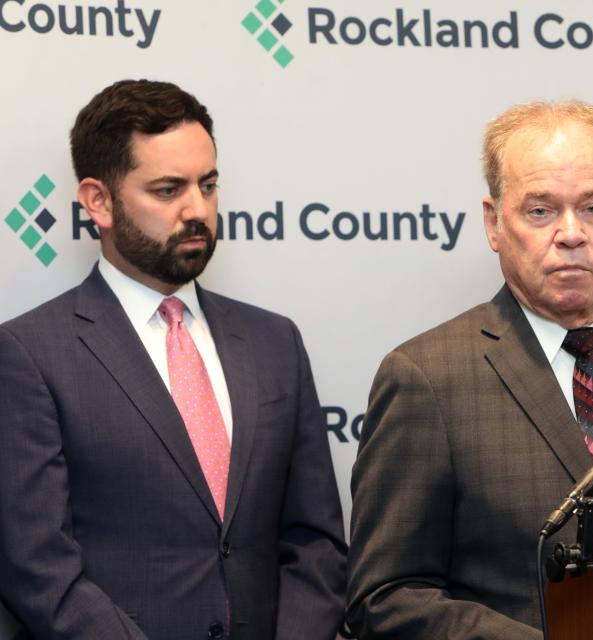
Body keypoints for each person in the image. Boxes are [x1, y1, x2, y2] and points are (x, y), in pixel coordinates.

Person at [346, 100, 593, 638]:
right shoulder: (428, 379)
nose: (571, 233)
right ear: (494, 223)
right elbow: (384, 599)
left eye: (592, 208)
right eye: (540, 210)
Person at [0, 79, 346, 639]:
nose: (198, 211)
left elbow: (315, 541)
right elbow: (38, 569)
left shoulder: (274, 341)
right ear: (98, 201)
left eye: (208, 185)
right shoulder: (30, 354)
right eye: (167, 190)